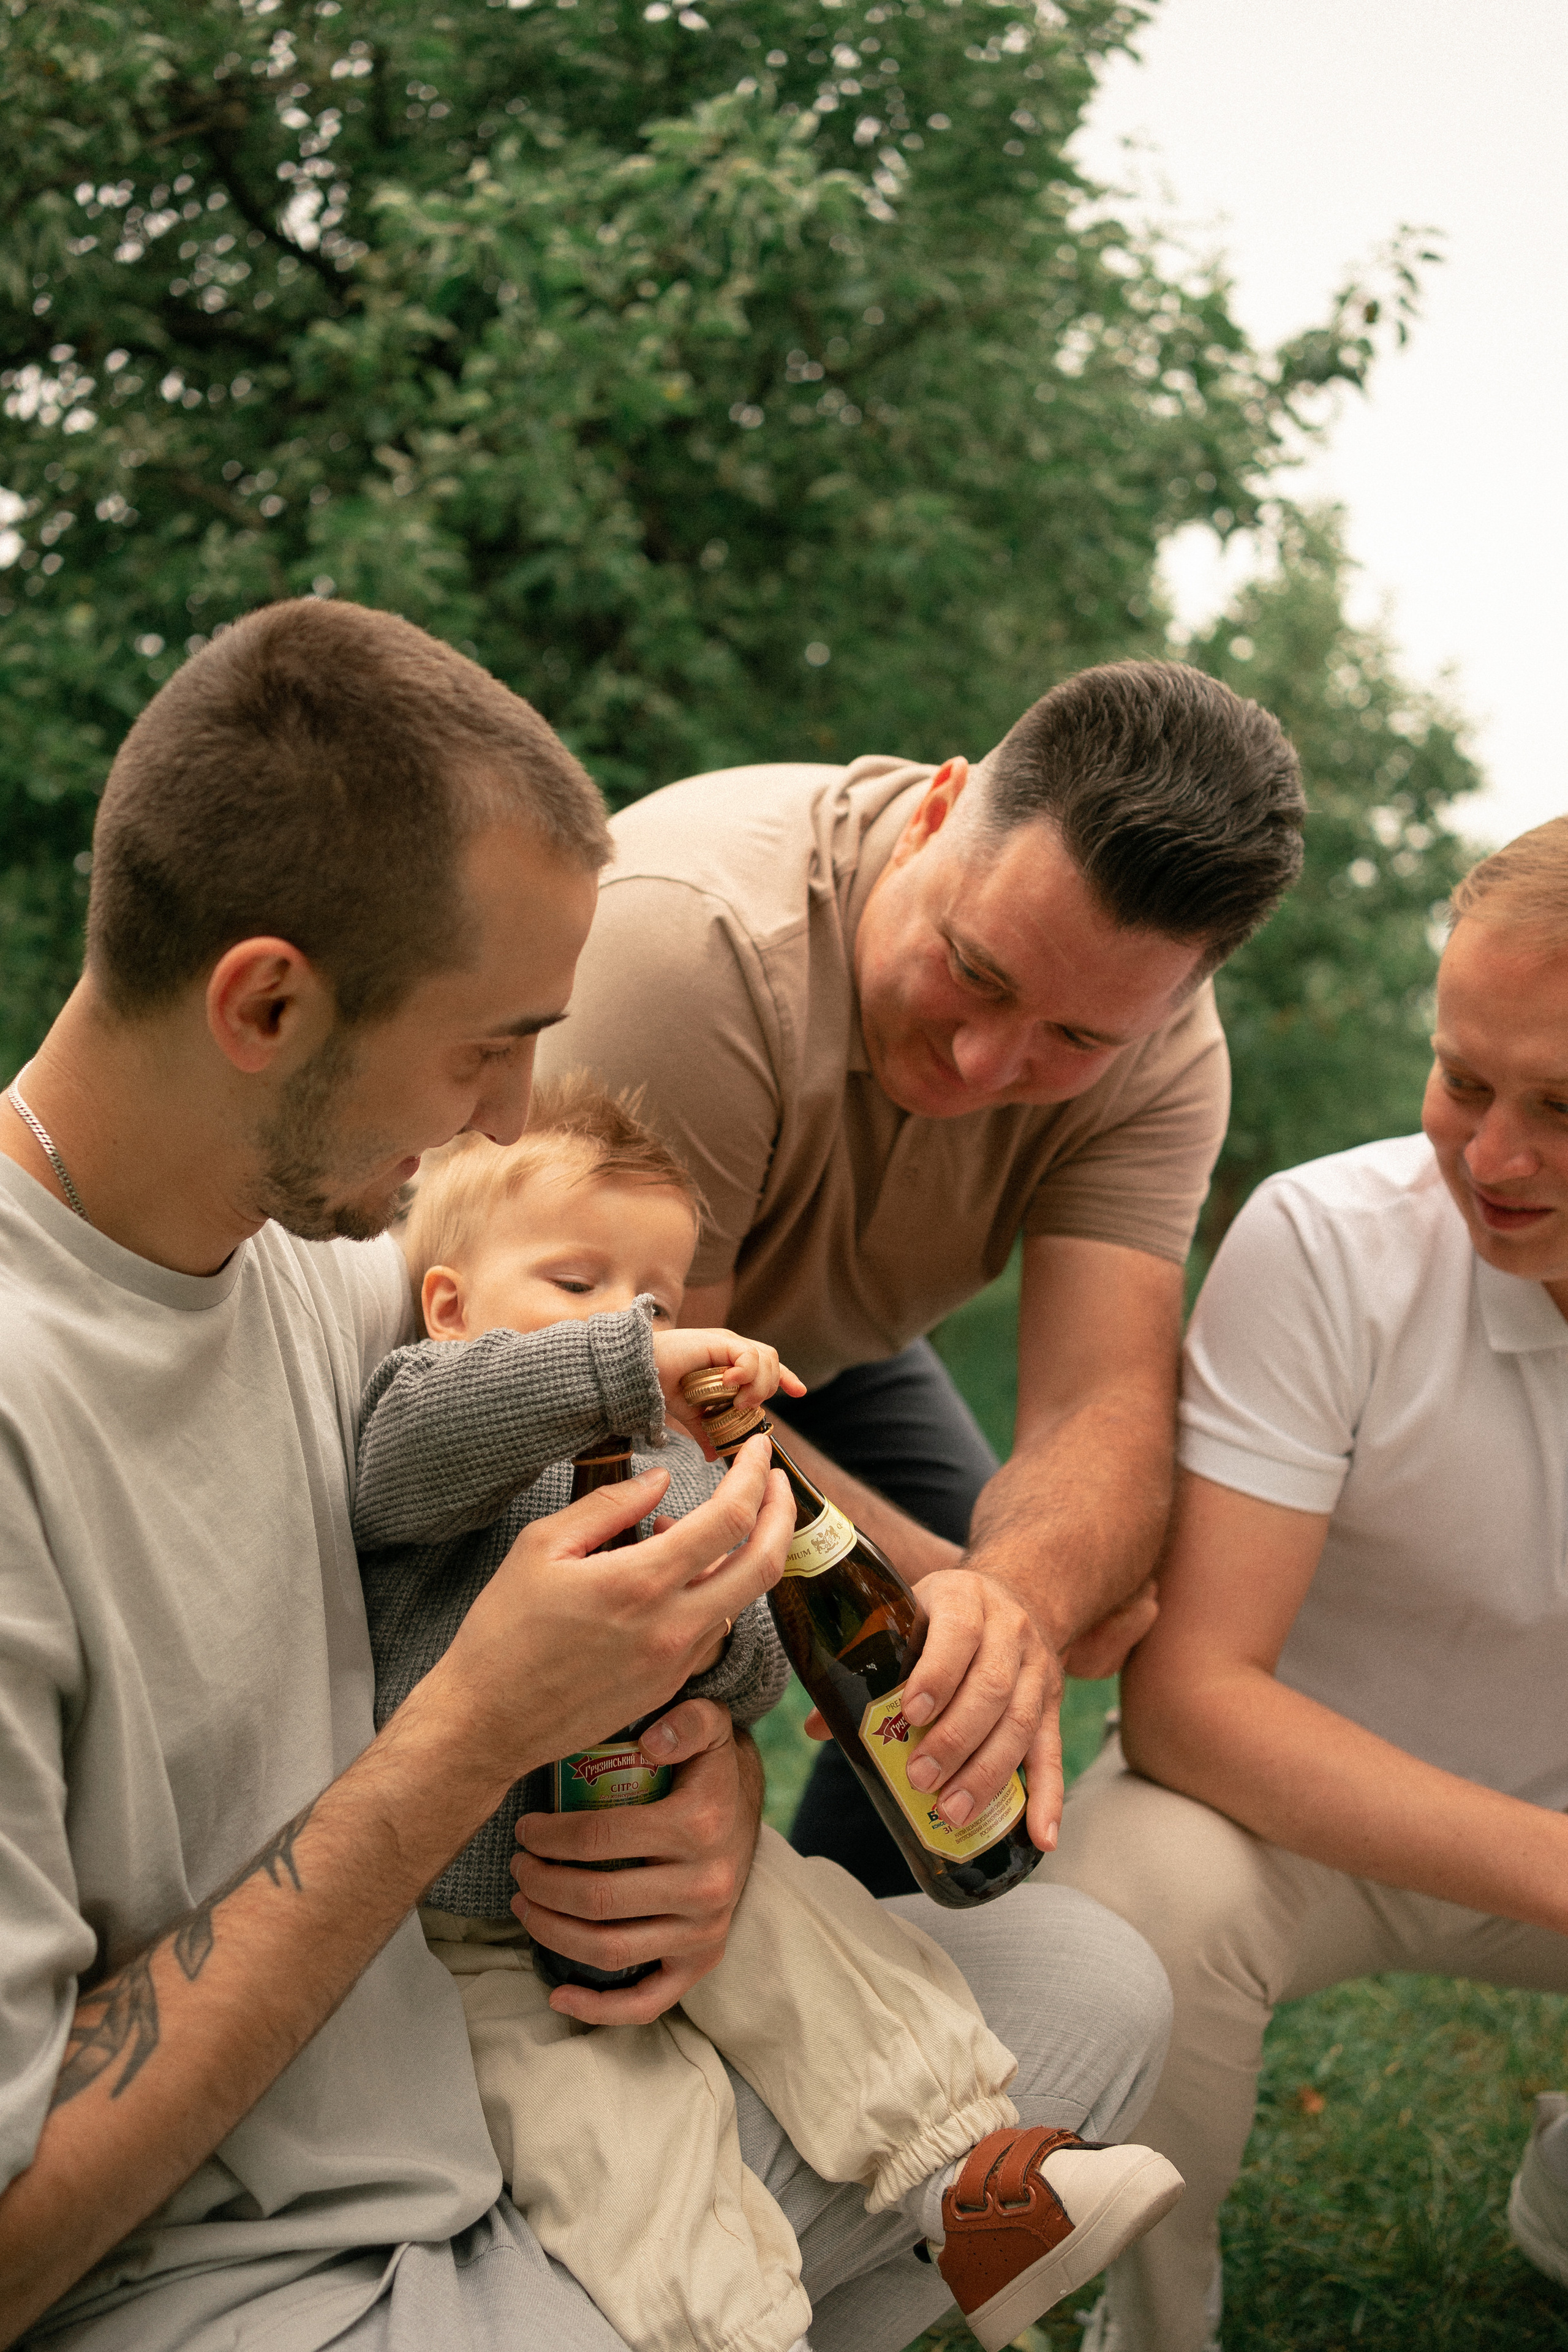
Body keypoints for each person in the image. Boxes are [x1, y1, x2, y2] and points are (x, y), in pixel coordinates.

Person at [0, 597, 1175, 2352]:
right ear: (267, 1001)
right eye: (489, 1044)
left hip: (475, 2084)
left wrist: (692, 1784)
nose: (509, 1115)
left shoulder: (347, 1266)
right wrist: (473, 1728)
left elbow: (597, 1522)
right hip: (225, 2264)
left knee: (1089, 1985)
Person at [356, 1077, 1185, 2352]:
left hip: (659, 1856)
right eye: (575, 1285)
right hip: (476, 1925)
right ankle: (729, 2333)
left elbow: (745, 1672)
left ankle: (965, 2176)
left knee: (822, 1948)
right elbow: (404, 1454)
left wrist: (739, 1582)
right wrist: (617, 1365)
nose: (627, 1326)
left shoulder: (668, 1474)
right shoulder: (443, 1427)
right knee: (623, 2131)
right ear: (450, 1303)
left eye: (652, 1300)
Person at [535, 662, 1306, 1893]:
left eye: (1073, 1040)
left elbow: (1101, 1409)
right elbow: (652, 1408)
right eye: (975, 969)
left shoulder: (1159, 1057)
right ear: (938, 808)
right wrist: (948, 1603)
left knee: (973, 1650)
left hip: (817, 1351)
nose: (979, 1059)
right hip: (557, 1352)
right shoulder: (693, 949)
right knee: (876, 1630)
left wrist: (1016, 1603)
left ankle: (874, 1936)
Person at [1036, 816, 1568, 2351]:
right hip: (1291, 1823)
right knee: (1134, 1906)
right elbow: (1192, 1703)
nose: (1492, 1156)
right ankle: (1147, 2335)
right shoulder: (1328, 1244)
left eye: (1561, 1106)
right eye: (1461, 1080)